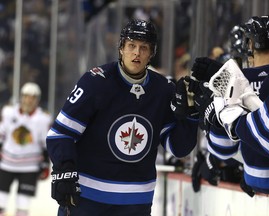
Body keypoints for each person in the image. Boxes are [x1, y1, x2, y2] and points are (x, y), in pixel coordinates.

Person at [46, 19, 198, 216]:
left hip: (135, 201)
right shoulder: (95, 83)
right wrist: (64, 171)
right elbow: (60, 134)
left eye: (144, 48)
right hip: (87, 197)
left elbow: (178, 148)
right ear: (121, 48)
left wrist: (191, 117)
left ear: (151, 53)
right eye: (131, 46)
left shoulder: (163, 90)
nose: (137, 53)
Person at [190, 15, 269, 195]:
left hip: (262, 182)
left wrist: (213, 122)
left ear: (250, 44)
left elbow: (224, 148)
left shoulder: (251, 80)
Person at [0, 82, 52, 216]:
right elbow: (1, 135)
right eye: (26, 96)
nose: (29, 100)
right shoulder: (8, 112)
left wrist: (46, 163)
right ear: (21, 97)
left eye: (32, 97)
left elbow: (45, 144)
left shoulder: (43, 119)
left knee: (23, 205)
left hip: (30, 166)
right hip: (7, 163)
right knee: (1, 200)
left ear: (37, 100)